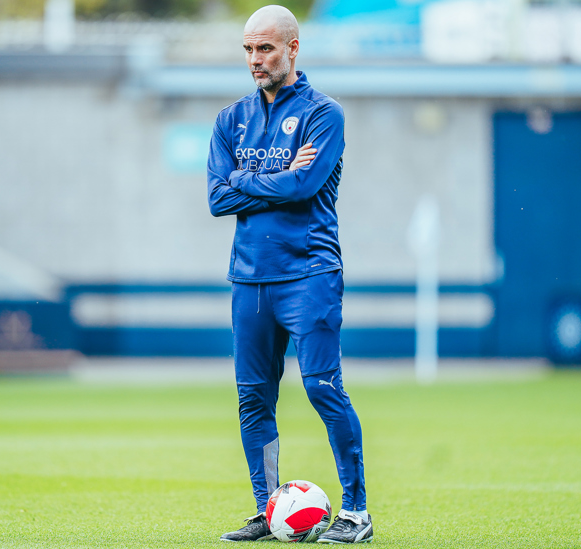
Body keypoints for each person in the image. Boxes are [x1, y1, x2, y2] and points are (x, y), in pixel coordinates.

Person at [207, 5, 372, 544]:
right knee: (254, 397)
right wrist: (274, 174)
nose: (255, 59)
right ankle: (267, 507)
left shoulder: (326, 114)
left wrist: (244, 177)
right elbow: (215, 197)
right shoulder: (230, 119)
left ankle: (356, 513)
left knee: (323, 387)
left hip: (309, 273)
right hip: (250, 280)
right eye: (249, 49)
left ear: (293, 48)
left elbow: (303, 190)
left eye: (266, 48)